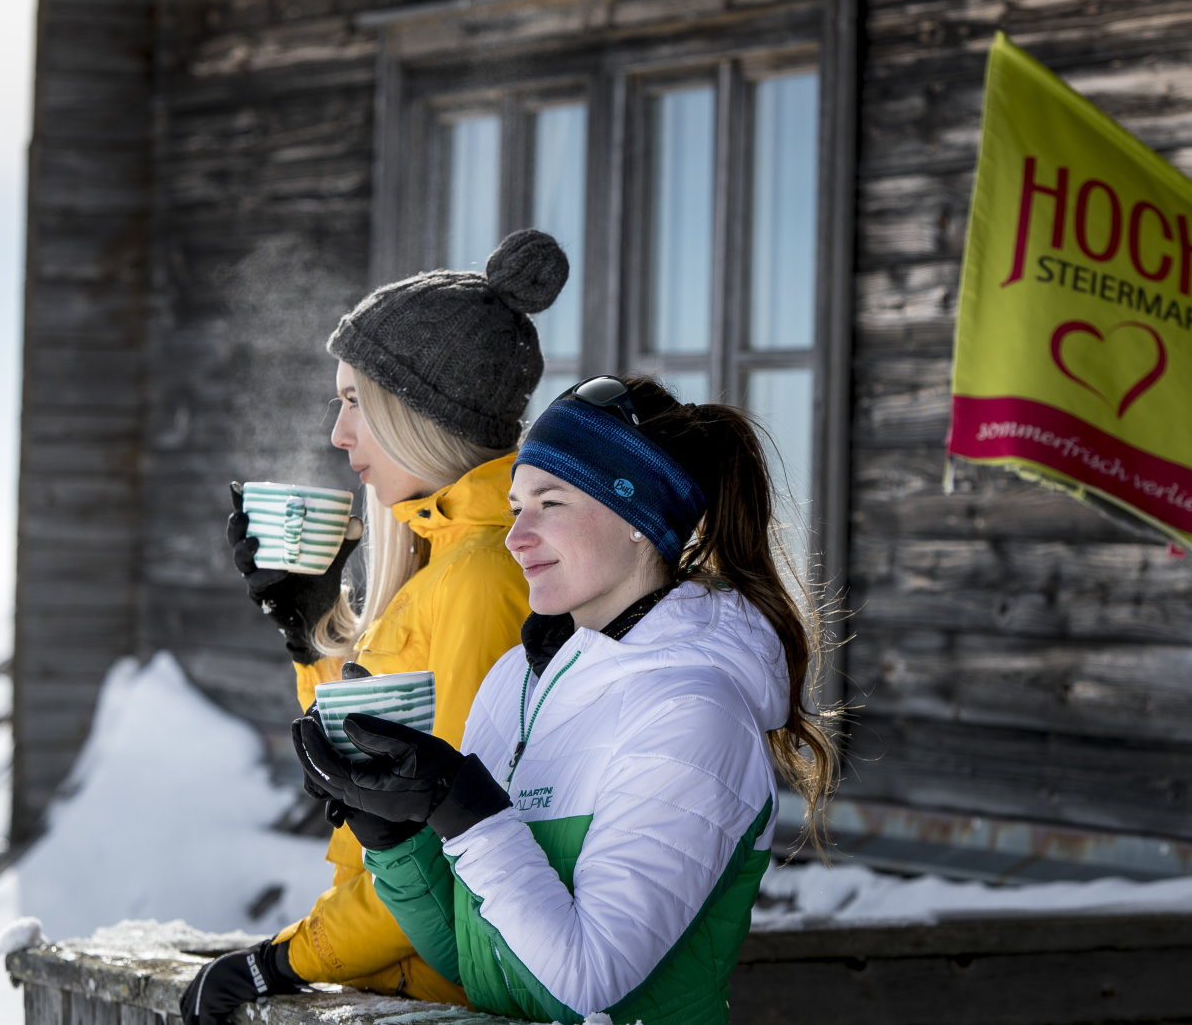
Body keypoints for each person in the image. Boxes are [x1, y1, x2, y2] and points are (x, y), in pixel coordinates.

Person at [293, 374, 843, 1025]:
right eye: (516, 507)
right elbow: (476, 963)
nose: (516, 536)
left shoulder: (696, 713)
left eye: (550, 503)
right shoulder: (514, 680)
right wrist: (393, 838)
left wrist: (467, 812)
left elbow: (588, 981)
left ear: (637, 517)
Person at [179, 230, 570, 1025]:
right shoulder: (440, 558)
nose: (338, 433)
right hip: (403, 987)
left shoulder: (484, 576)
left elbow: (445, 842)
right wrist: (312, 628)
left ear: (420, 410)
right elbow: (371, 761)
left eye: (355, 401)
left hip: (444, 998)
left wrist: (282, 960)